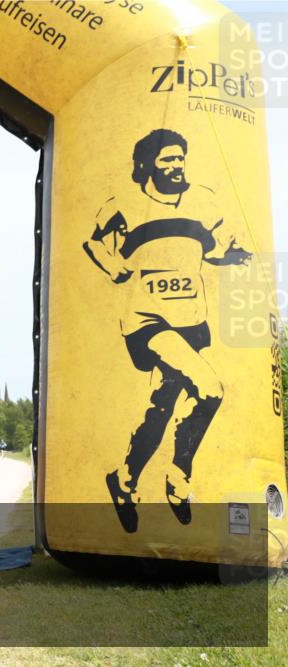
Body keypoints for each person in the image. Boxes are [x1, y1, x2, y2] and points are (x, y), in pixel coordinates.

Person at [83, 128, 250, 533]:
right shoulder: (125, 203)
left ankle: (123, 480)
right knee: (210, 388)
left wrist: (234, 258)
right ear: (147, 165)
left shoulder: (203, 201)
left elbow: (213, 251)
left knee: (160, 408)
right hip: (147, 321)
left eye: (179, 159)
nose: (176, 167)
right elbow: (94, 242)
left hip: (191, 320)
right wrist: (113, 266)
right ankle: (179, 476)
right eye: (166, 160)